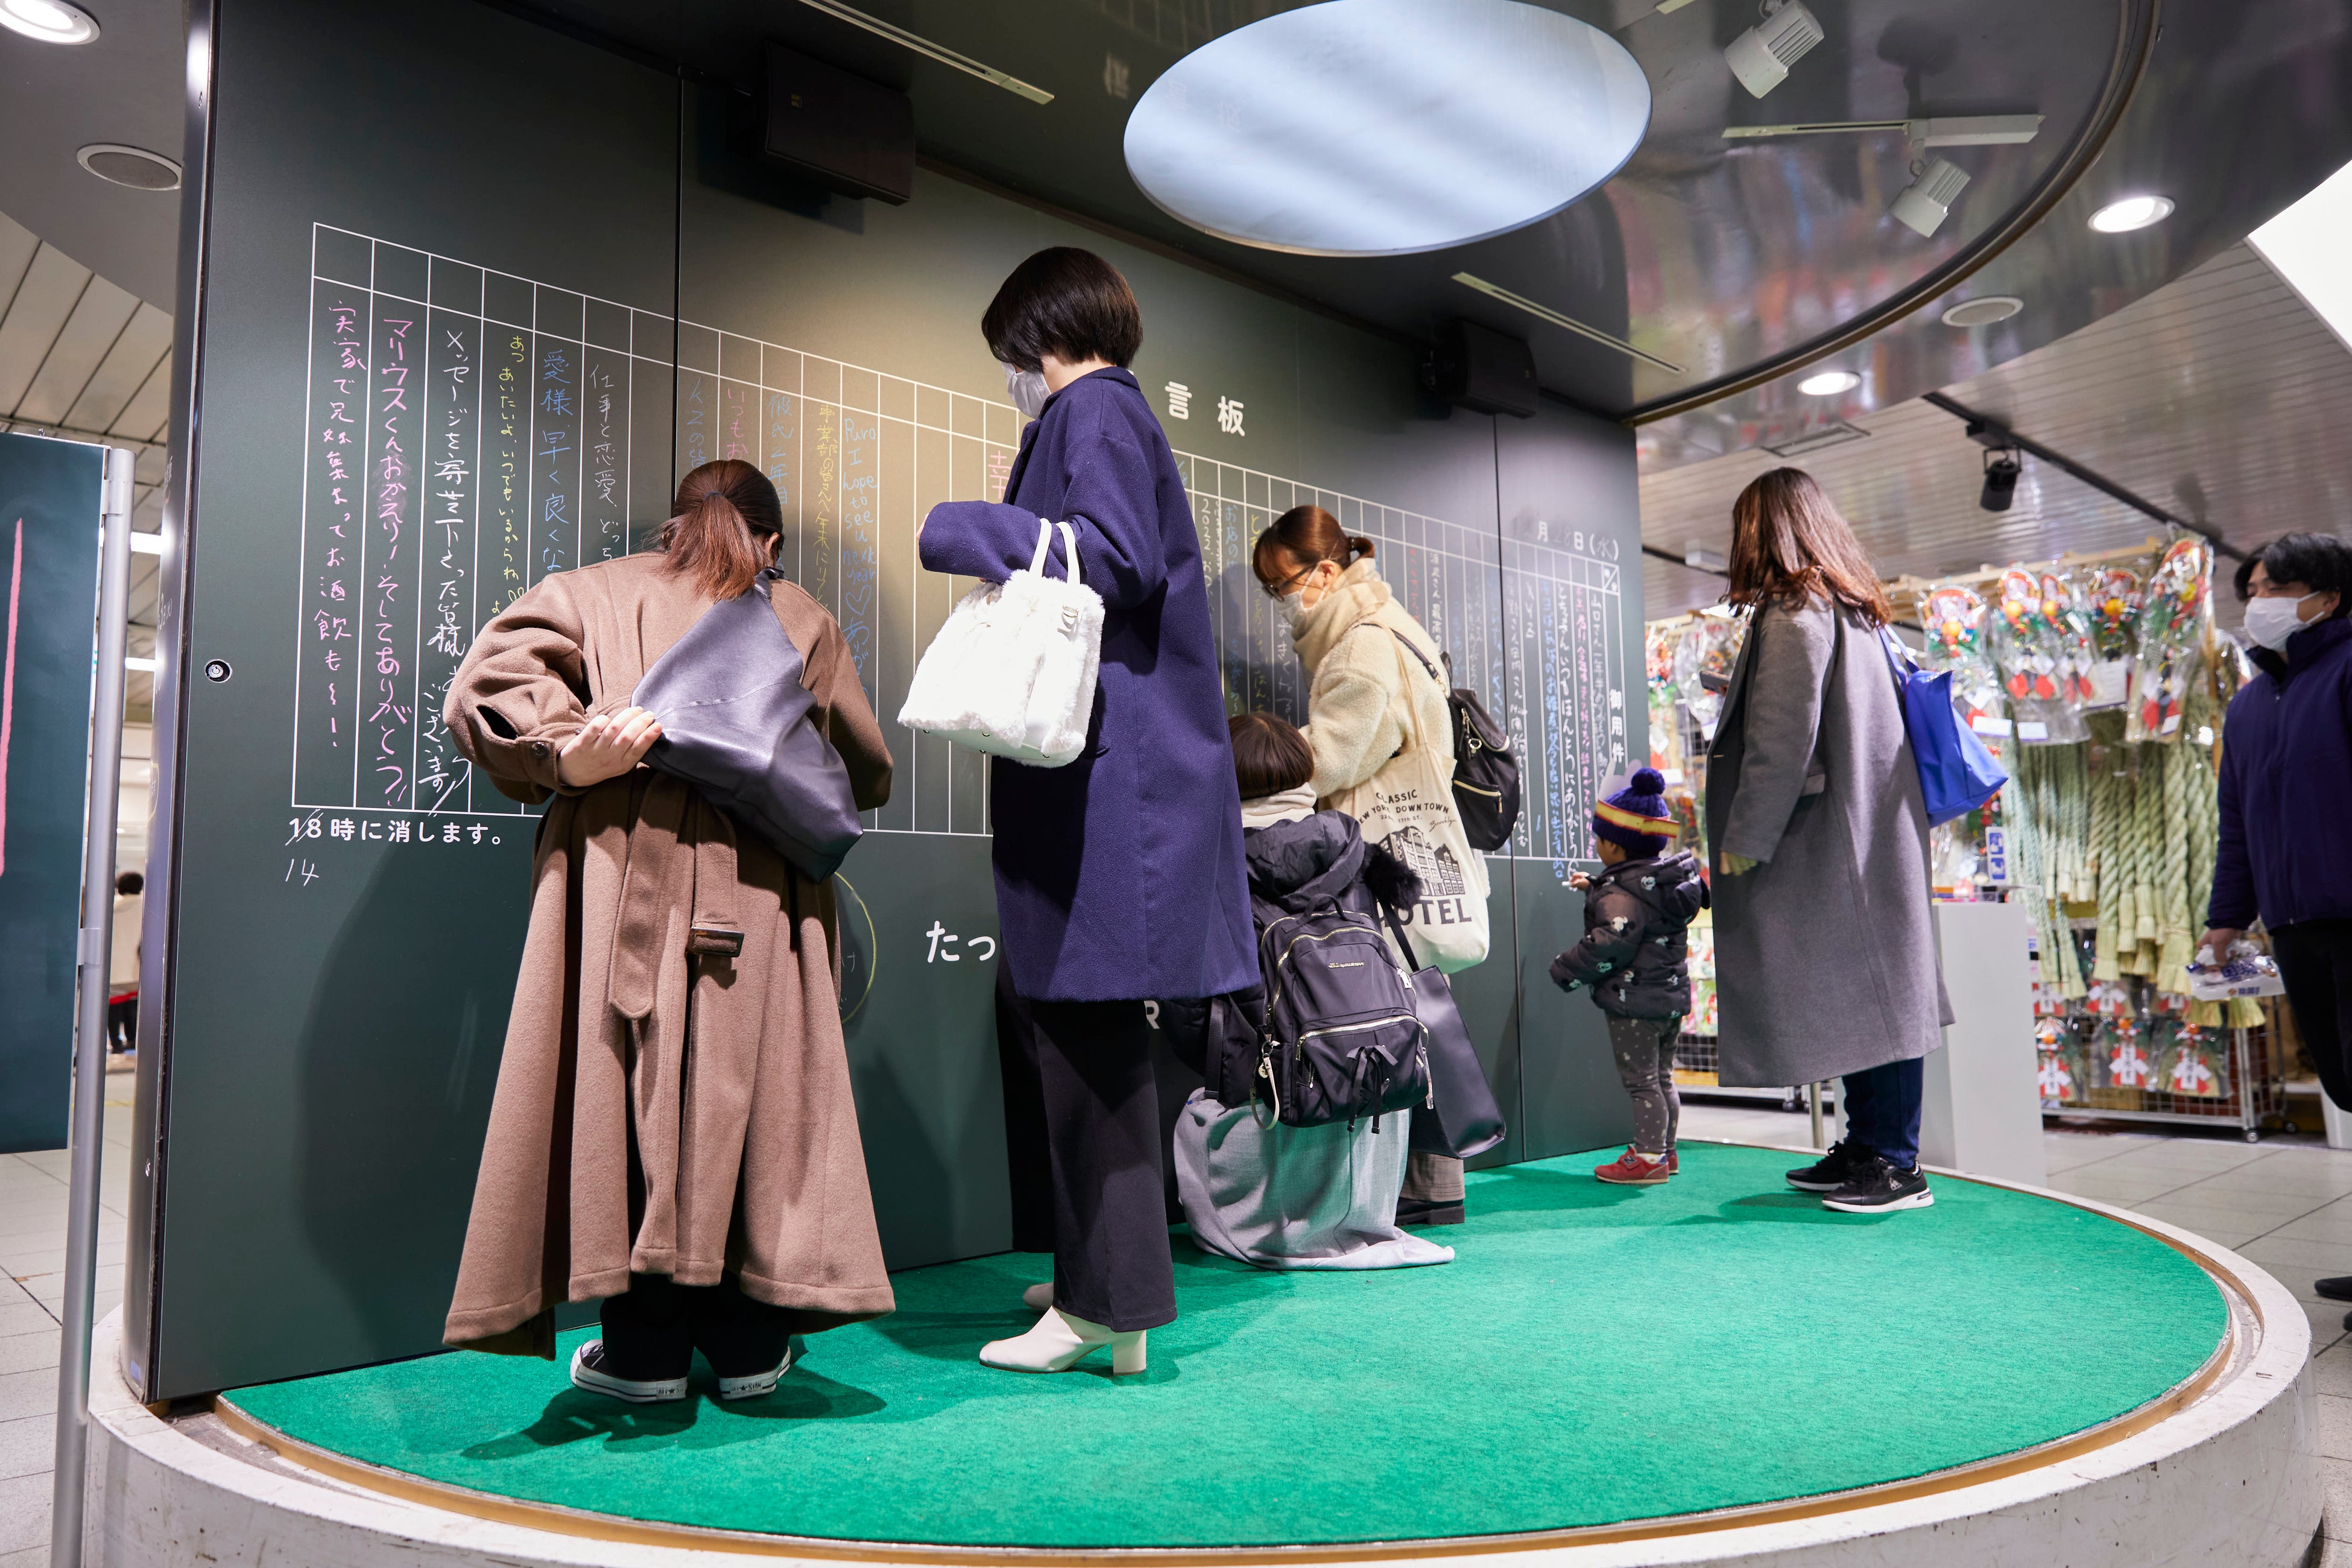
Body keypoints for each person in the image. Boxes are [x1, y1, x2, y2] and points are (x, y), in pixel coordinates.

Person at [440, 458, 897, 1404]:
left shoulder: (587, 591)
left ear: (670, 528)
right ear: (770, 542)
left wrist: (566, 753)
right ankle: (746, 1349)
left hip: (619, 874)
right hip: (761, 887)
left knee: (623, 1085)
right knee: (757, 1093)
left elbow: (483, 694)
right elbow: (862, 767)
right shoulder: (800, 615)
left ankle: (644, 1352)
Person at [918, 248, 1254, 1377]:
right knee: (1075, 1024)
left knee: (1084, 1030)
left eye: (1011, 354)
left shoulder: (1093, 408)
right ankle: (1097, 1275)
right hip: (1117, 778)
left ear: (1035, 336)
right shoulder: (1110, 414)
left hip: (1113, 785)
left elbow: (1111, 560)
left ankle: (1109, 1302)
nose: (1011, 375)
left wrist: (968, 529)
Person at [1705, 467, 1949, 1215]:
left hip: (1827, 840)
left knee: (1868, 992)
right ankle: (1869, 1143)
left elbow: (1782, 736)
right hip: (1863, 834)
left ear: (1763, 528)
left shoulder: (1796, 608)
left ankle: (1895, 1162)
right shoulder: (1849, 605)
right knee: (1867, 990)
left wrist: (1747, 834)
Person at [1253, 503, 1482, 1227]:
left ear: (1325, 570)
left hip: (1379, 850)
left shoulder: (1359, 649)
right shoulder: (1392, 627)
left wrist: (1256, 753)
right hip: (1413, 842)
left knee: (1388, 1007)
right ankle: (1431, 1179)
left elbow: (1333, 757)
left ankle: (1427, 1180)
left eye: (1281, 582)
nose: (1281, 600)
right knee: (1416, 1001)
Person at [1166, 713, 1455, 1270]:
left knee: (1198, 1111)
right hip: (1375, 1107)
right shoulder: (1360, 857)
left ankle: (1273, 1227)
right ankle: (1358, 1220)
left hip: (1272, 1129)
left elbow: (1193, 1028)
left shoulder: (1211, 870)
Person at [2195, 533, 2351, 1309]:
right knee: (2348, 1086)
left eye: (2277, 585)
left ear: (2328, 594)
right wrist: (2227, 918)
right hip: (2296, 928)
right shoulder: (2250, 705)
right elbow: (2239, 822)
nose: (2260, 602)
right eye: (2252, 588)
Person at [1550, 768, 1709, 1185]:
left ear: (1616, 846)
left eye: (1600, 840)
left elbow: (1611, 939)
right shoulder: (1663, 883)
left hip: (1634, 1002)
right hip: (1670, 998)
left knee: (1641, 1083)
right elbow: (1638, 904)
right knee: (1662, 1077)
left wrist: (1566, 968)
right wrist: (1596, 887)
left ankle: (1648, 1158)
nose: (1597, 847)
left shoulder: (1623, 893)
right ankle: (1666, 1152)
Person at [107, 870, 142, 1055]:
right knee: (133, 1004)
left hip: (113, 968)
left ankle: (115, 1043)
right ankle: (132, 1039)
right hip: (135, 967)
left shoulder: (109, 907)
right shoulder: (147, 906)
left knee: (113, 1006)